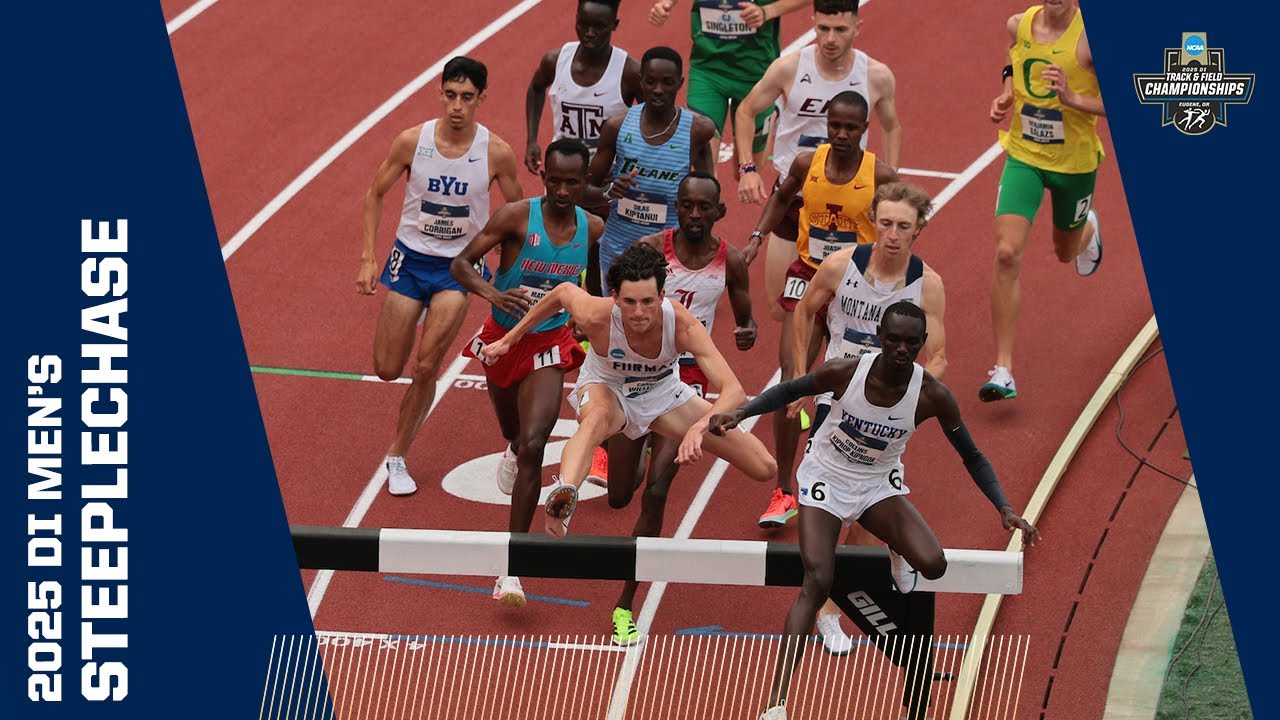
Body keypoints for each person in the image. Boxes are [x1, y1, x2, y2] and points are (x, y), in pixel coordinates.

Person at [706, 302, 1040, 720]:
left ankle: (896, 547)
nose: (902, 348)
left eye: (911, 342)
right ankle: (776, 704)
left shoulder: (931, 395)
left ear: (921, 345)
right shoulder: (846, 372)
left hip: (877, 485)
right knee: (818, 579)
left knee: (933, 564)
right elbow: (791, 390)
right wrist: (741, 412)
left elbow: (970, 454)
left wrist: (1004, 508)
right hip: (826, 478)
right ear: (880, 337)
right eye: (894, 339)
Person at [479, 243, 777, 542]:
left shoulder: (682, 325)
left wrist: (697, 430)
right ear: (614, 297)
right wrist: (510, 339)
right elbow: (561, 293)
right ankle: (564, 495)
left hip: (662, 395)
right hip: (607, 389)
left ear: (662, 295)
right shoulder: (597, 314)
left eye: (648, 301)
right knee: (596, 419)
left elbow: (734, 392)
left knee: (764, 467)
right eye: (629, 302)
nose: (638, 312)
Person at [787, 181, 945, 653]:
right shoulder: (839, 265)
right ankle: (826, 604)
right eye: (886, 223)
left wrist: (909, 403)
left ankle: (877, 567)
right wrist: (799, 377)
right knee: (832, 499)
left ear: (918, 230)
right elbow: (804, 312)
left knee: (873, 494)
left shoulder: (927, 285)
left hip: (888, 406)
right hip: (837, 399)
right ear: (873, 219)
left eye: (904, 226)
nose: (893, 234)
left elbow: (938, 358)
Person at [356, 56, 522, 496]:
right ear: (440, 92)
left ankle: (397, 456)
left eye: (467, 98)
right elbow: (375, 193)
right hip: (409, 262)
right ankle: (407, 349)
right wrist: (368, 258)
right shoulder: (412, 142)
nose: (457, 106)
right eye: (450, 95)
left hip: (457, 269)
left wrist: (506, 276)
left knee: (427, 365)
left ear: (481, 99)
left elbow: (514, 218)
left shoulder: (497, 152)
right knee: (389, 369)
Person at [449, 139, 604, 608]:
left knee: (537, 443)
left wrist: (588, 316)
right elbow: (460, 264)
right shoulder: (515, 217)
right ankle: (513, 446)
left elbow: (590, 283)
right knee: (515, 433)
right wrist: (494, 295)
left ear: (584, 183)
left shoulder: (591, 227)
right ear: (544, 178)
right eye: (553, 180)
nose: (561, 189)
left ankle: (511, 569)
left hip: (548, 343)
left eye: (571, 182)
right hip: (501, 339)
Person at [608, 171, 757, 645]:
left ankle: (624, 604)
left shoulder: (730, 260)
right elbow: (613, 297)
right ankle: (632, 459)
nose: (694, 215)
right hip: (636, 378)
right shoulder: (652, 250)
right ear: (678, 206)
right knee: (619, 494)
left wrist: (746, 330)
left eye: (703, 208)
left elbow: (745, 313)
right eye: (687, 206)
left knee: (656, 493)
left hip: (685, 383)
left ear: (718, 212)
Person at [745, 90, 896, 530]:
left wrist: (890, 270)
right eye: (836, 126)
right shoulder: (806, 163)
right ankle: (785, 490)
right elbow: (781, 196)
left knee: (857, 387)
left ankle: (856, 478)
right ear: (826, 125)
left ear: (866, 129)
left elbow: (907, 219)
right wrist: (757, 237)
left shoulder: (880, 176)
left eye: (852, 127)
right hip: (808, 274)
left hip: (856, 288)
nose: (843, 134)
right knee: (791, 380)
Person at [735, 0, 902, 324]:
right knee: (781, 308)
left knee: (844, 311)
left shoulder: (877, 76)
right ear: (813, 23)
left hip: (849, 207)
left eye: (840, 30)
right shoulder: (789, 68)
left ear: (857, 28)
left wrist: (890, 188)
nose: (830, 38)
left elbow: (892, 126)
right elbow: (746, 111)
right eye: (823, 28)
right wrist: (747, 168)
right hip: (793, 197)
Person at [982, 0, 1104, 402]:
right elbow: (1012, 63)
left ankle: (1087, 231)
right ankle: (1003, 369)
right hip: (1025, 157)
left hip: (1075, 164)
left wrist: (1073, 99)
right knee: (1005, 253)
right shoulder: (1018, 25)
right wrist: (1006, 95)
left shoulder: (1089, 41)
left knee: (1064, 252)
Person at [587, 46, 718, 292]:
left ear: (680, 83)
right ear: (641, 81)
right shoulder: (617, 126)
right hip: (617, 248)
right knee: (615, 323)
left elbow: (707, 197)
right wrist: (609, 191)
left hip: (668, 253)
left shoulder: (697, 131)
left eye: (667, 83)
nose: (658, 90)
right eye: (651, 82)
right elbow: (584, 191)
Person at [649, 0, 810, 171]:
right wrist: (666, 3)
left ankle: (773, 110)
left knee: (747, 171)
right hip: (708, 69)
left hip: (756, 73)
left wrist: (768, 11)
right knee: (703, 168)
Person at [524, 0, 641, 175]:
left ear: (614, 25)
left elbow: (651, 118)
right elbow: (536, 88)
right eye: (583, 25)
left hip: (608, 177)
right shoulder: (555, 61)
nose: (590, 33)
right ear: (576, 20)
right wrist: (532, 140)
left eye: (599, 27)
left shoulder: (629, 71)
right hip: (563, 173)